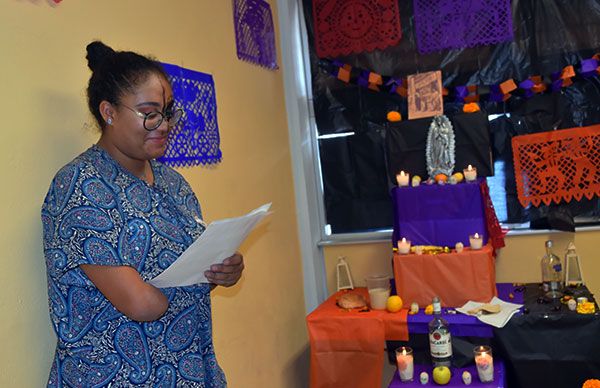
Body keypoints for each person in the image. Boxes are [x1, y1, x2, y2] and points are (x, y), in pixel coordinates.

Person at [41, 41, 244, 387]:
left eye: (167, 113)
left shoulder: (172, 183)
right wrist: (192, 279)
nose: (163, 125)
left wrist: (222, 270)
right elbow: (143, 305)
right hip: (116, 377)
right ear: (109, 112)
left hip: (188, 370)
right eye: (150, 113)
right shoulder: (79, 184)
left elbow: (189, 269)